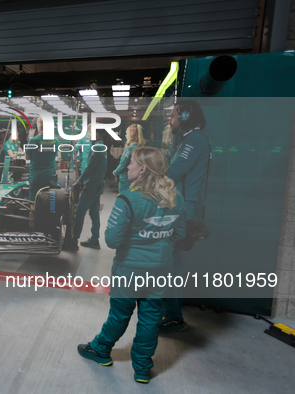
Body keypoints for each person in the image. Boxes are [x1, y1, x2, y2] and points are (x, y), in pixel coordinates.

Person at [77, 147, 186, 384]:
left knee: (120, 314)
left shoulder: (128, 198)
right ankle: (142, 368)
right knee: (150, 317)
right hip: (160, 268)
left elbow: (113, 240)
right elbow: (180, 233)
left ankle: (100, 350)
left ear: (143, 169)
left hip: (130, 269)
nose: (128, 167)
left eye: (132, 163)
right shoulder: (176, 197)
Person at [160, 100, 210, 333]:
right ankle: (171, 312)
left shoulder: (195, 140)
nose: (170, 120)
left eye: (173, 116)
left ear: (186, 116)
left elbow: (172, 172)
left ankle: (172, 316)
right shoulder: (189, 139)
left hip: (180, 212)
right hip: (178, 209)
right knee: (173, 264)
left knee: (168, 264)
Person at [65, 131, 107, 251]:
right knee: (94, 213)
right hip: (99, 185)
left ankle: (73, 241)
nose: (88, 136)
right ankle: (94, 239)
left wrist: (79, 181)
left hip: (92, 186)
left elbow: (89, 167)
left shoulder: (96, 148)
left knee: (79, 213)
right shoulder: (102, 147)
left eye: (90, 133)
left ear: (97, 134)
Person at [26, 117, 60, 201]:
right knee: (50, 203)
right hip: (50, 176)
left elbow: (27, 157)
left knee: (33, 203)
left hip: (36, 176)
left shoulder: (33, 140)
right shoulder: (56, 140)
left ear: (40, 126)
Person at [113, 123, 145, 192]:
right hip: (137, 180)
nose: (125, 135)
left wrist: (115, 173)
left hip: (126, 180)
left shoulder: (130, 149)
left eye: (127, 133)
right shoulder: (140, 147)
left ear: (131, 135)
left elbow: (123, 164)